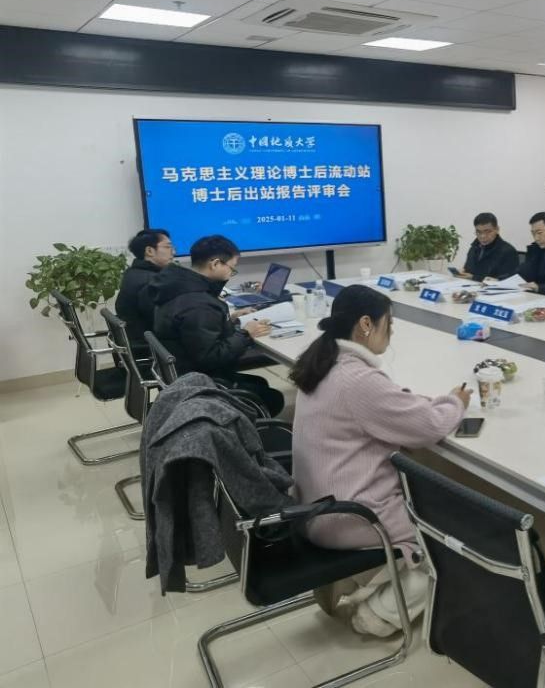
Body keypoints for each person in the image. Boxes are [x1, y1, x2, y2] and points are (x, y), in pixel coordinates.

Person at [290, 285, 472, 636]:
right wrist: (456, 402)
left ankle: (348, 579)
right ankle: (378, 616)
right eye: (389, 322)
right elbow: (428, 427)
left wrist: (424, 403)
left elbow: (389, 406)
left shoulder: (325, 361)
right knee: (453, 536)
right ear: (365, 324)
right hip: (350, 516)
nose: (392, 331)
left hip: (313, 506)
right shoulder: (356, 379)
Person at [149, 235, 284, 416]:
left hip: (184, 374)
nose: (231, 273)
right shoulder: (199, 304)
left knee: (260, 384)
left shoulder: (177, 288)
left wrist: (230, 320)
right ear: (215, 264)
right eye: (232, 268)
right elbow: (211, 357)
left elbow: (196, 332)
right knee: (273, 399)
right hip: (200, 383)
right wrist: (245, 334)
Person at [115, 228, 173, 347]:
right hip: (149, 347)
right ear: (150, 251)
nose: (173, 252)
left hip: (136, 339)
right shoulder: (152, 282)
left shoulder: (133, 272)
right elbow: (163, 324)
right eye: (168, 247)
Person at [457, 212, 519, 281]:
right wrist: (463, 273)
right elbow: (468, 270)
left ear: (497, 229)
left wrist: (473, 277)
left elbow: (506, 281)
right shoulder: (474, 247)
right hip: (469, 285)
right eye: (479, 232)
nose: (482, 236)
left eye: (488, 232)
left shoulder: (508, 251)